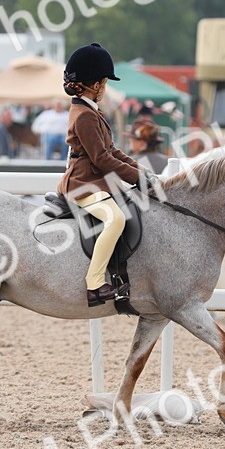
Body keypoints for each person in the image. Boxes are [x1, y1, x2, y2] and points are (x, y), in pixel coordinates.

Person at [59, 42, 147, 307]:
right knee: (115, 219)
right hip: (83, 184)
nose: (105, 89)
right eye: (105, 83)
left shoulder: (90, 111)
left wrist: (142, 172)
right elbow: (101, 158)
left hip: (95, 182)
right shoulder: (84, 116)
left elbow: (112, 151)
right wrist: (136, 178)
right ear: (95, 85)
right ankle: (95, 283)